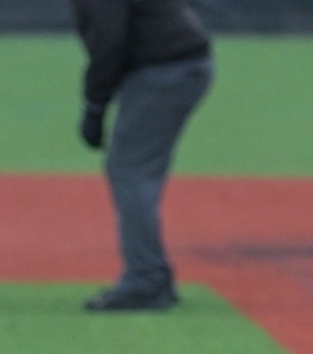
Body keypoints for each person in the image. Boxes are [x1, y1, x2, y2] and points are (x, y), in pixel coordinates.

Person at [70, 0, 214, 311]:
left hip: (166, 68)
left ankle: (146, 280)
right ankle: (150, 276)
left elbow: (109, 40)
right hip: (179, 62)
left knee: (130, 171)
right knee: (134, 169)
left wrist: (95, 105)